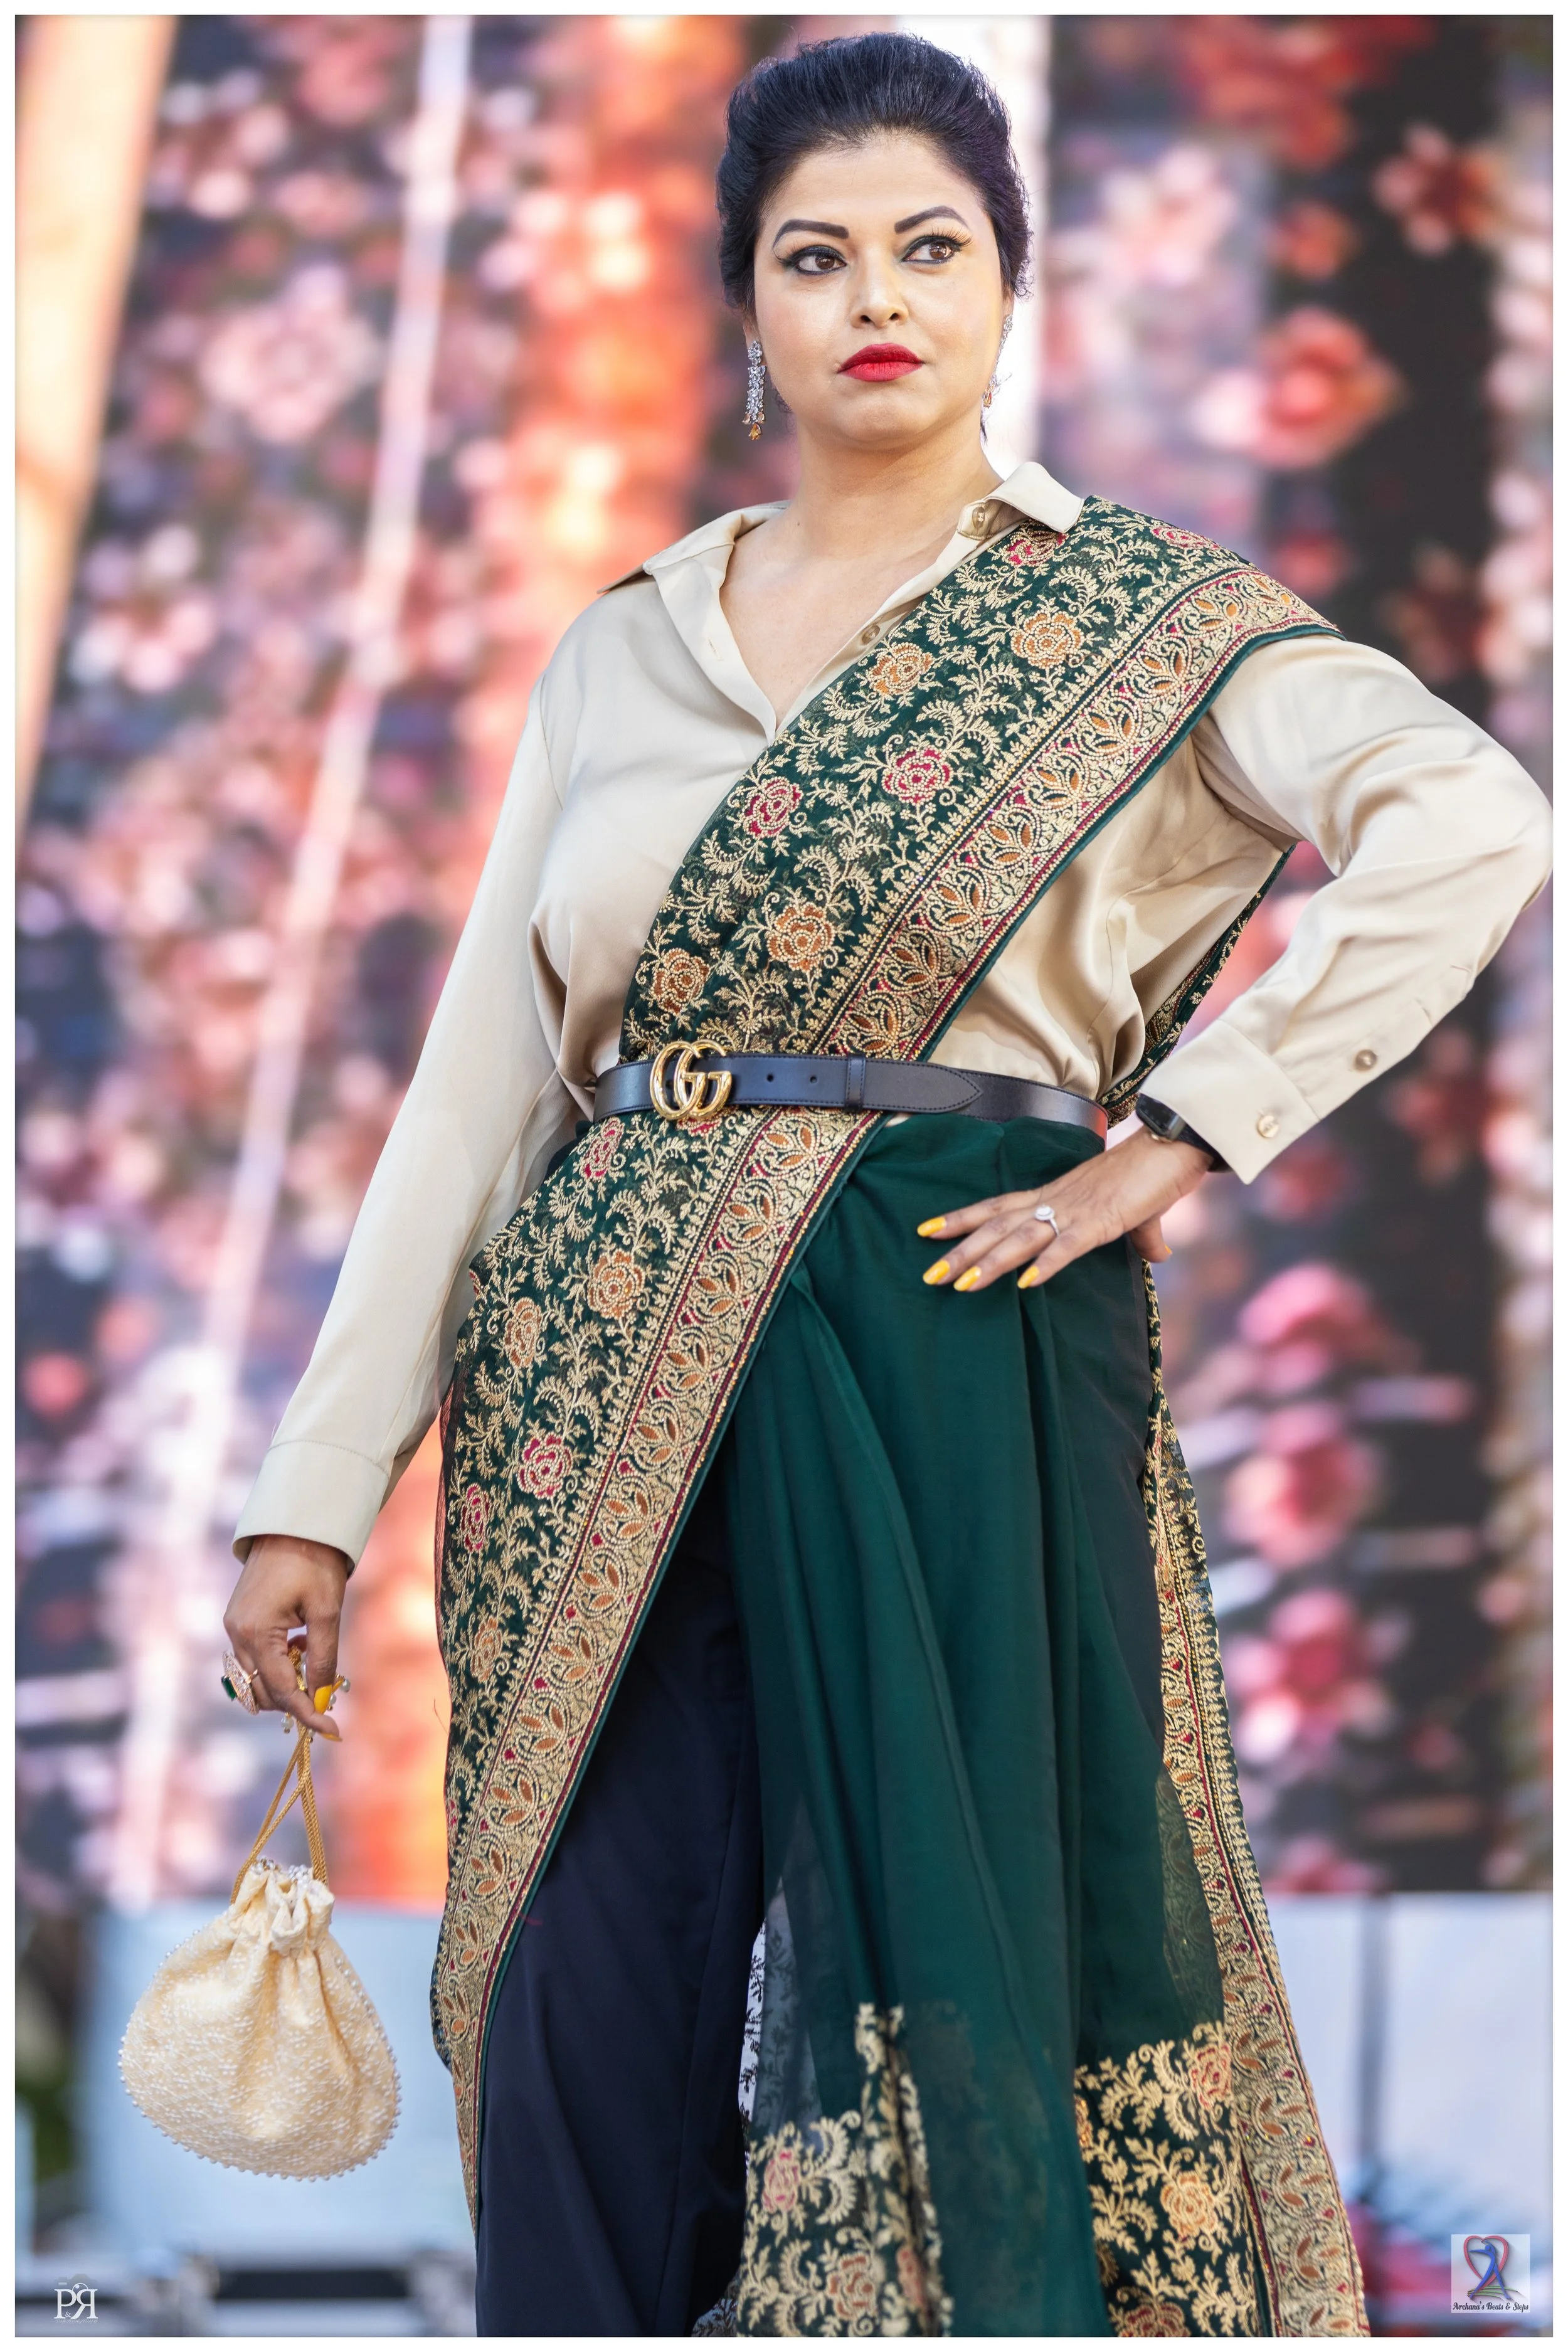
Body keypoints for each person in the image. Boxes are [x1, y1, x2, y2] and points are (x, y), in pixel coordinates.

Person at [222, 32, 1550, 2339]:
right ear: (745, 303)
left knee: (957, 1971)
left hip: (951, 1328)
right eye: (813, 256)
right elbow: (480, 1094)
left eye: (930, 250)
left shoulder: (1141, 623)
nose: (876, 300)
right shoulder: (628, 639)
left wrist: (1185, 1133)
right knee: (582, 1989)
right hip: (606, 1366)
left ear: (1008, 289)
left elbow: (1473, 821)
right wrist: (316, 1498)